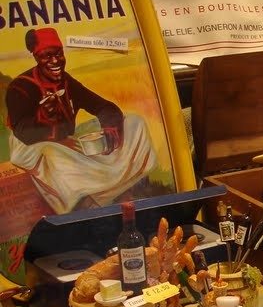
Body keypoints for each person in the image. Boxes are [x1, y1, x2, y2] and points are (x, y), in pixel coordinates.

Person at [5, 27, 157, 213]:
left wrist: (110, 131)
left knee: (134, 122)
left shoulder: (66, 82)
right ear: (36, 57)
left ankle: (118, 187)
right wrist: (48, 122)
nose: (55, 61)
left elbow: (103, 106)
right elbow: (22, 131)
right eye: (47, 56)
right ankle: (87, 202)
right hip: (31, 146)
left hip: (64, 140)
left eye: (58, 54)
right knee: (54, 154)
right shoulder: (20, 87)